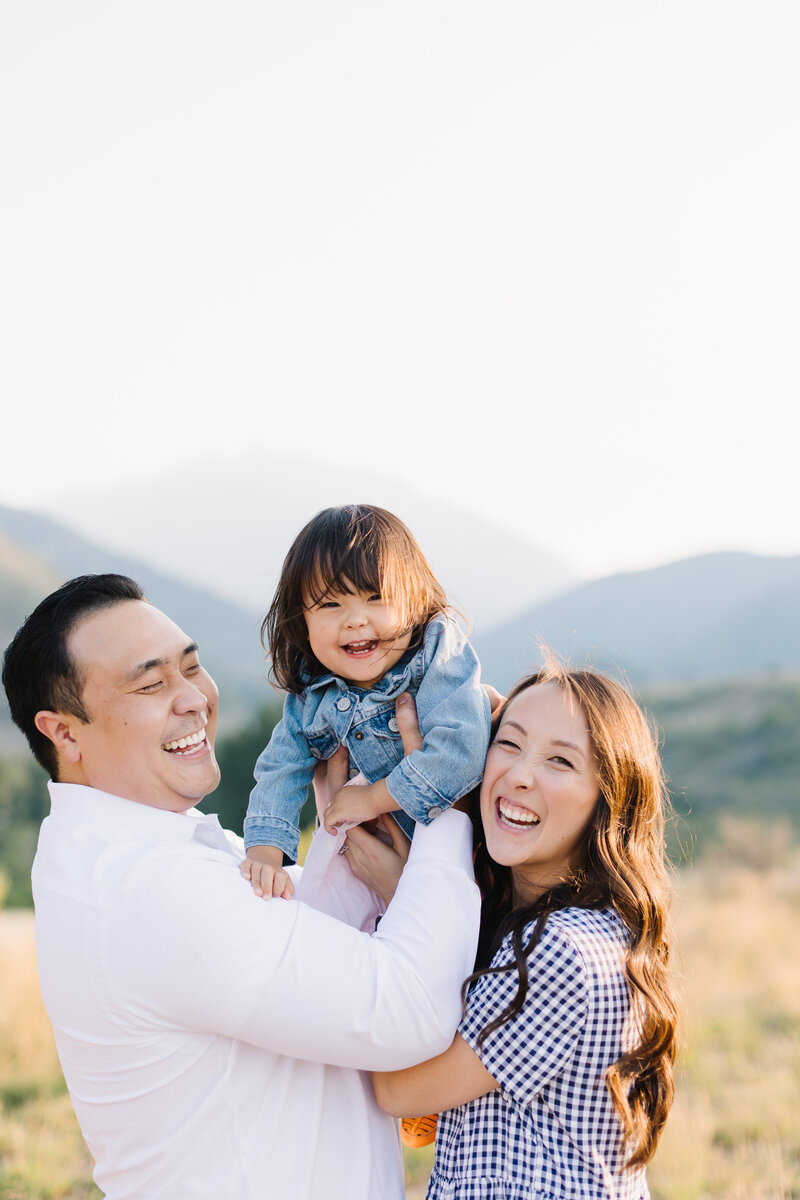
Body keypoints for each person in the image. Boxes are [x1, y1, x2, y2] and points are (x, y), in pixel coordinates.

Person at [1, 574, 480, 1200]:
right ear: (64, 733)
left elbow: (302, 946)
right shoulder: (149, 889)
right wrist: (443, 800)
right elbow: (407, 1011)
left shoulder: (137, 849)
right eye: (151, 683)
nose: (192, 699)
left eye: (192, 667)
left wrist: (343, 824)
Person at [365, 664, 679, 1198]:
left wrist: (408, 895)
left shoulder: (561, 951)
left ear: (608, 800)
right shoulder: (588, 928)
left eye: (560, 760)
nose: (520, 775)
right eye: (507, 743)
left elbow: (399, 1090)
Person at [241, 503, 491, 902]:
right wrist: (265, 857)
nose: (355, 619)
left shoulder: (436, 654)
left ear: (415, 600)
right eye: (330, 604)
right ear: (300, 622)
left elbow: (460, 753)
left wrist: (372, 799)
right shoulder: (310, 696)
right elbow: (280, 771)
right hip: (362, 880)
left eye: (377, 597)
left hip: (468, 874)